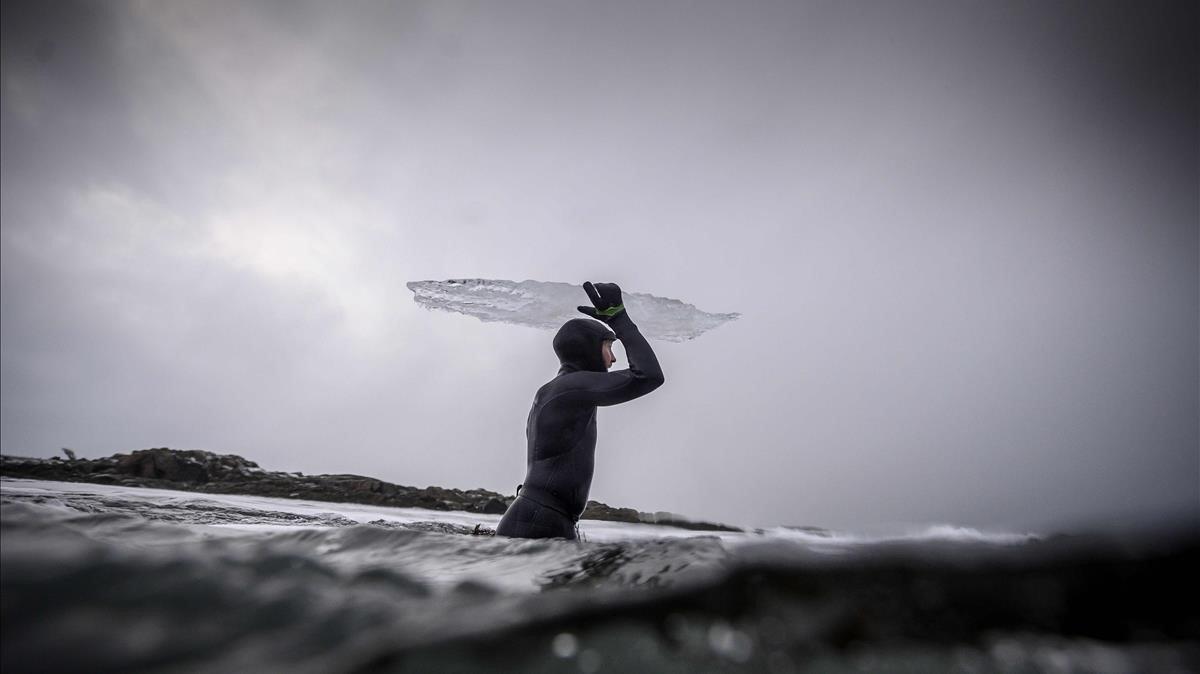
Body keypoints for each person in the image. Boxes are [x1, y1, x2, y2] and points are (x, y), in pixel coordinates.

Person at [495, 281, 665, 540]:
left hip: (543, 519)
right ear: (588, 349)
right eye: (609, 347)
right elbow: (648, 376)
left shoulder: (562, 390)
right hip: (539, 522)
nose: (613, 359)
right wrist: (620, 319)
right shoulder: (569, 389)